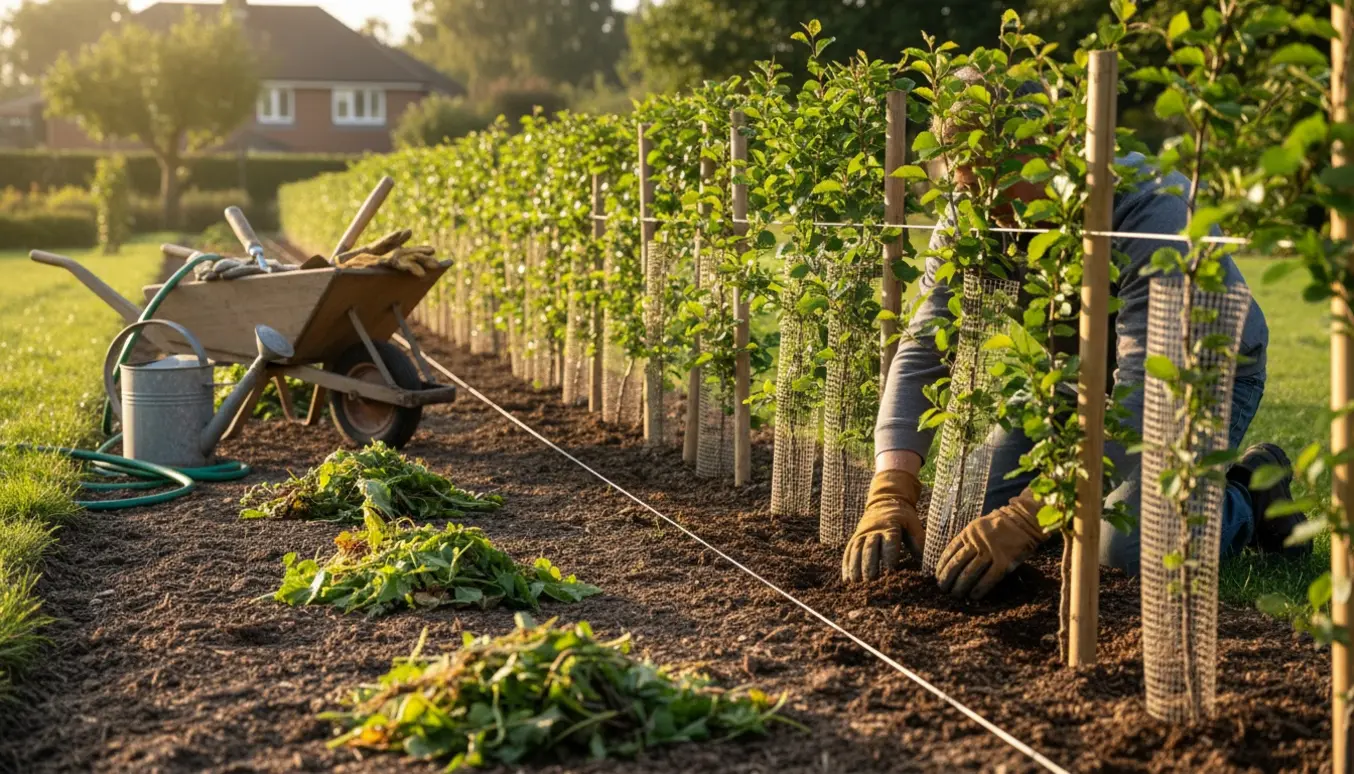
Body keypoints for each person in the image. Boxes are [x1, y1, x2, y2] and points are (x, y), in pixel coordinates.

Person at [840, 71, 1306, 598]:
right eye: (967, 186)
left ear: (1052, 152)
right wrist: (891, 488)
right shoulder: (971, 210)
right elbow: (925, 344)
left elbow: (1143, 401)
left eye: (997, 181)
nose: (986, 208)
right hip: (1066, 379)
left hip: (1193, 378)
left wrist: (1032, 514)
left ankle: (1245, 493)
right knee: (955, 513)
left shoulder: (1148, 209)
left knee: (1125, 550)